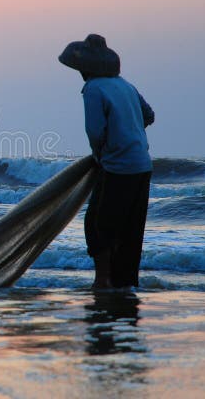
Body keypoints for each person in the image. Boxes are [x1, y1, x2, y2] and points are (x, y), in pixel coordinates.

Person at [58, 34, 154, 289]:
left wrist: (100, 154)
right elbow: (149, 115)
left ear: (85, 68)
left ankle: (102, 280)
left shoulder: (93, 88)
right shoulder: (125, 85)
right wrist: (128, 132)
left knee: (97, 225)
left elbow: (95, 131)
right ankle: (125, 284)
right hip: (143, 165)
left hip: (118, 167)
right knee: (131, 230)